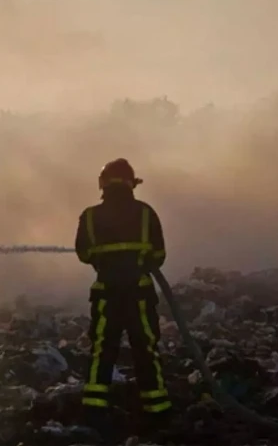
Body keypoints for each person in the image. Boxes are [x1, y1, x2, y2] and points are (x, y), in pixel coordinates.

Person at [75, 158, 171, 438]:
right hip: (140, 294)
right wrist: (137, 262)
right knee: (146, 348)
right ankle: (157, 409)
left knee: (102, 350)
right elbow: (159, 256)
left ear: (102, 184)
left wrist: (107, 262)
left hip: (106, 295)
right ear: (131, 184)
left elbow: (84, 254)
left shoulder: (90, 216)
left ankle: (94, 409)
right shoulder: (146, 213)